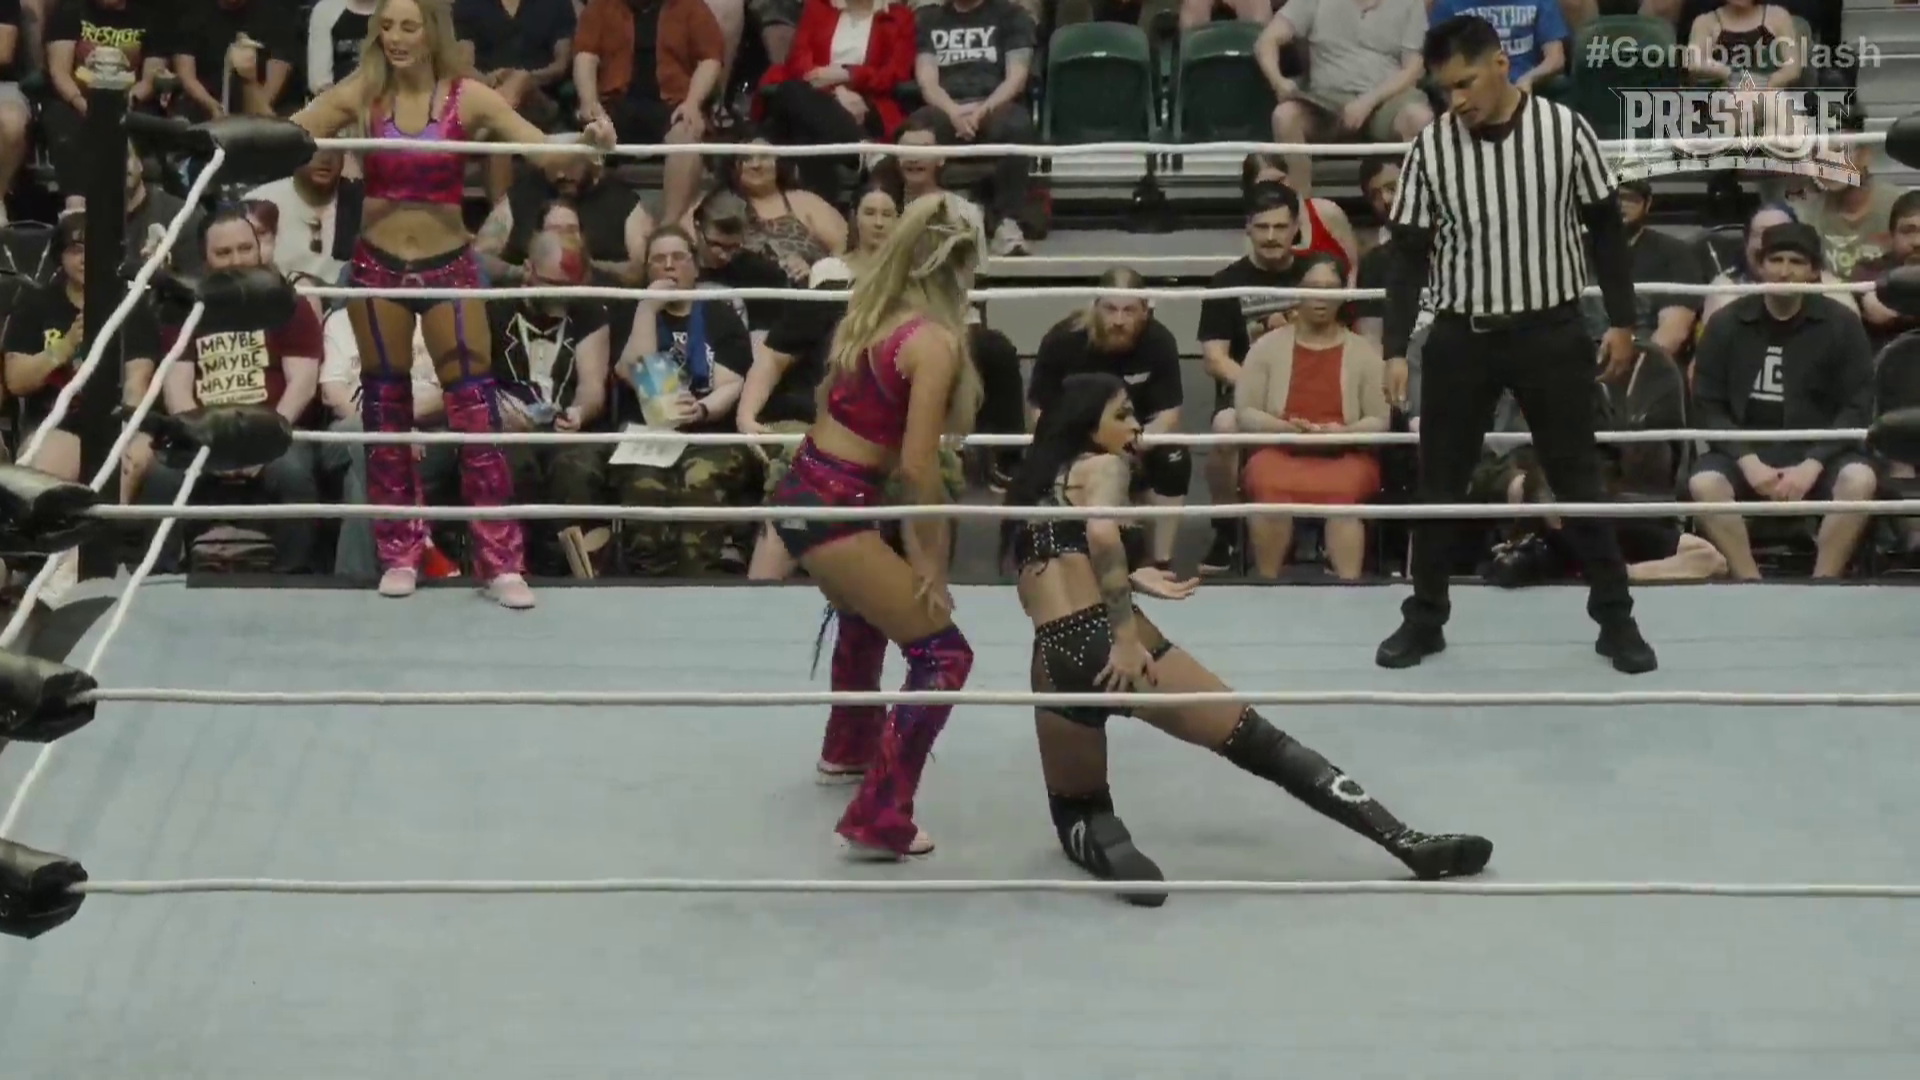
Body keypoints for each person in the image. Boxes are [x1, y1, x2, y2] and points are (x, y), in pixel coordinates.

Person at [1003, 372, 1493, 906]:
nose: (1135, 427)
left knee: (1077, 804)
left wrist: (1131, 575)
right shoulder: (1105, 465)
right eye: (1121, 414)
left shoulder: (1035, 486)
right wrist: (1123, 637)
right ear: (1086, 424)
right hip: (1108, 638)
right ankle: (1403, 839)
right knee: (1262, 744)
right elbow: (1101, 535)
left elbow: (1060, 558)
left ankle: (1104, 839)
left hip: (1053, 658)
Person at [291, 0, 615, 609]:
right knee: (386, 410)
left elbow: (541, 150)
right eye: (386, 26)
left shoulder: (468, 98)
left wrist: (589, 142)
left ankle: (501, 562)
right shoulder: (364, 91)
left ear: (432, 31)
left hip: (449, 267)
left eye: (408, 26)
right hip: (378, 267)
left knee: (476, 413)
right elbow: (295, 130)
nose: (395, 37)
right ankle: (399, 552)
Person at [1376, 15, 1655, 674]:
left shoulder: (1564, 130)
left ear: (1502, 64)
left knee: (1577, 479)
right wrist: (1393, 348)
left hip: (1550, 330)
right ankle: (1425, 618)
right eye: (1445, 89)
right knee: (1439, 482)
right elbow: (1407, 256)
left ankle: (1616, 620)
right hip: (1461, 333)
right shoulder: (1430, 148)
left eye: (1466, 83)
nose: (1457, 100)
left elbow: (1605, 229)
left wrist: (1622, 321)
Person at [762, 191, 984, 859]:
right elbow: (918, 470)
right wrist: (932, 566)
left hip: (806, 487)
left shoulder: (872, 311)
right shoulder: (933, 342)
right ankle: (880, 816)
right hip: (835, 503)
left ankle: (847, 749)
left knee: (867, 609)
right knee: (944, 654)